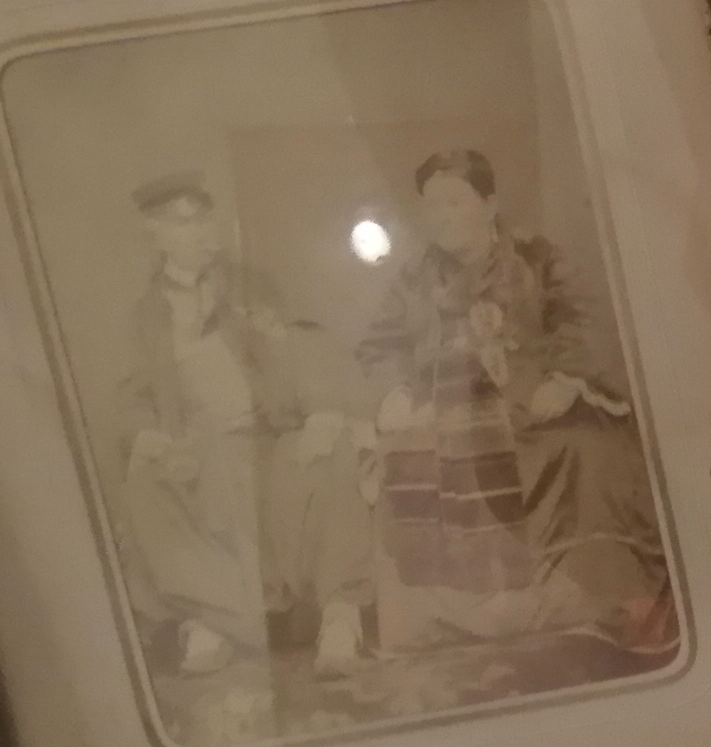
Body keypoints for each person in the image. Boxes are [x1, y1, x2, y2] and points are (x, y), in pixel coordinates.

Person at [360, 146, 672, 656]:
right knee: (411, 463)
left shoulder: (537, 259)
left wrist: (566, 378)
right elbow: (380, 345)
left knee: (589, 453)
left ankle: (598, 608)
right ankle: (452, 623)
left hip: (536, 409)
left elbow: (580, 320)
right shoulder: (413, 277)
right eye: (432, 205)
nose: (441, 217)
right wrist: (395, 391)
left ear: (490, 204)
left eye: (454, 202)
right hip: (446, 413)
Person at [112, 169, 369, 680]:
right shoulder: (146, 315)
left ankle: (341, 617)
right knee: (148, 482)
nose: (198, 232)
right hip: (199, 444)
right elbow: (133, 394)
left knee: (330, 455)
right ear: (153, 234)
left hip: (270, 432)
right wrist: (147, 435)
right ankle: (213, 621)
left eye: (202, 219)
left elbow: (300, 349)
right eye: (181, 222)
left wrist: (320, 410)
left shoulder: (250, 287)